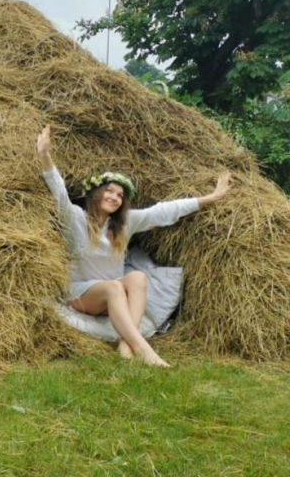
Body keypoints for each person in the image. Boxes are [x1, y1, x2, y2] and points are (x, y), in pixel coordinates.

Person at [35, 125, 232, 367]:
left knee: (137, 277)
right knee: (114, 288)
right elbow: (59, 193)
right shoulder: (75, 217)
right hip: (81, 294)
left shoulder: (125, 224)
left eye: (119, 195)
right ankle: (143, 349)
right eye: (109, 191)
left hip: (111, 295)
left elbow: (163, 211)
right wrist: (45, 156)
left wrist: (211, 198)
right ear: (96, 193)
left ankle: (125, 345)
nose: (114, 197)